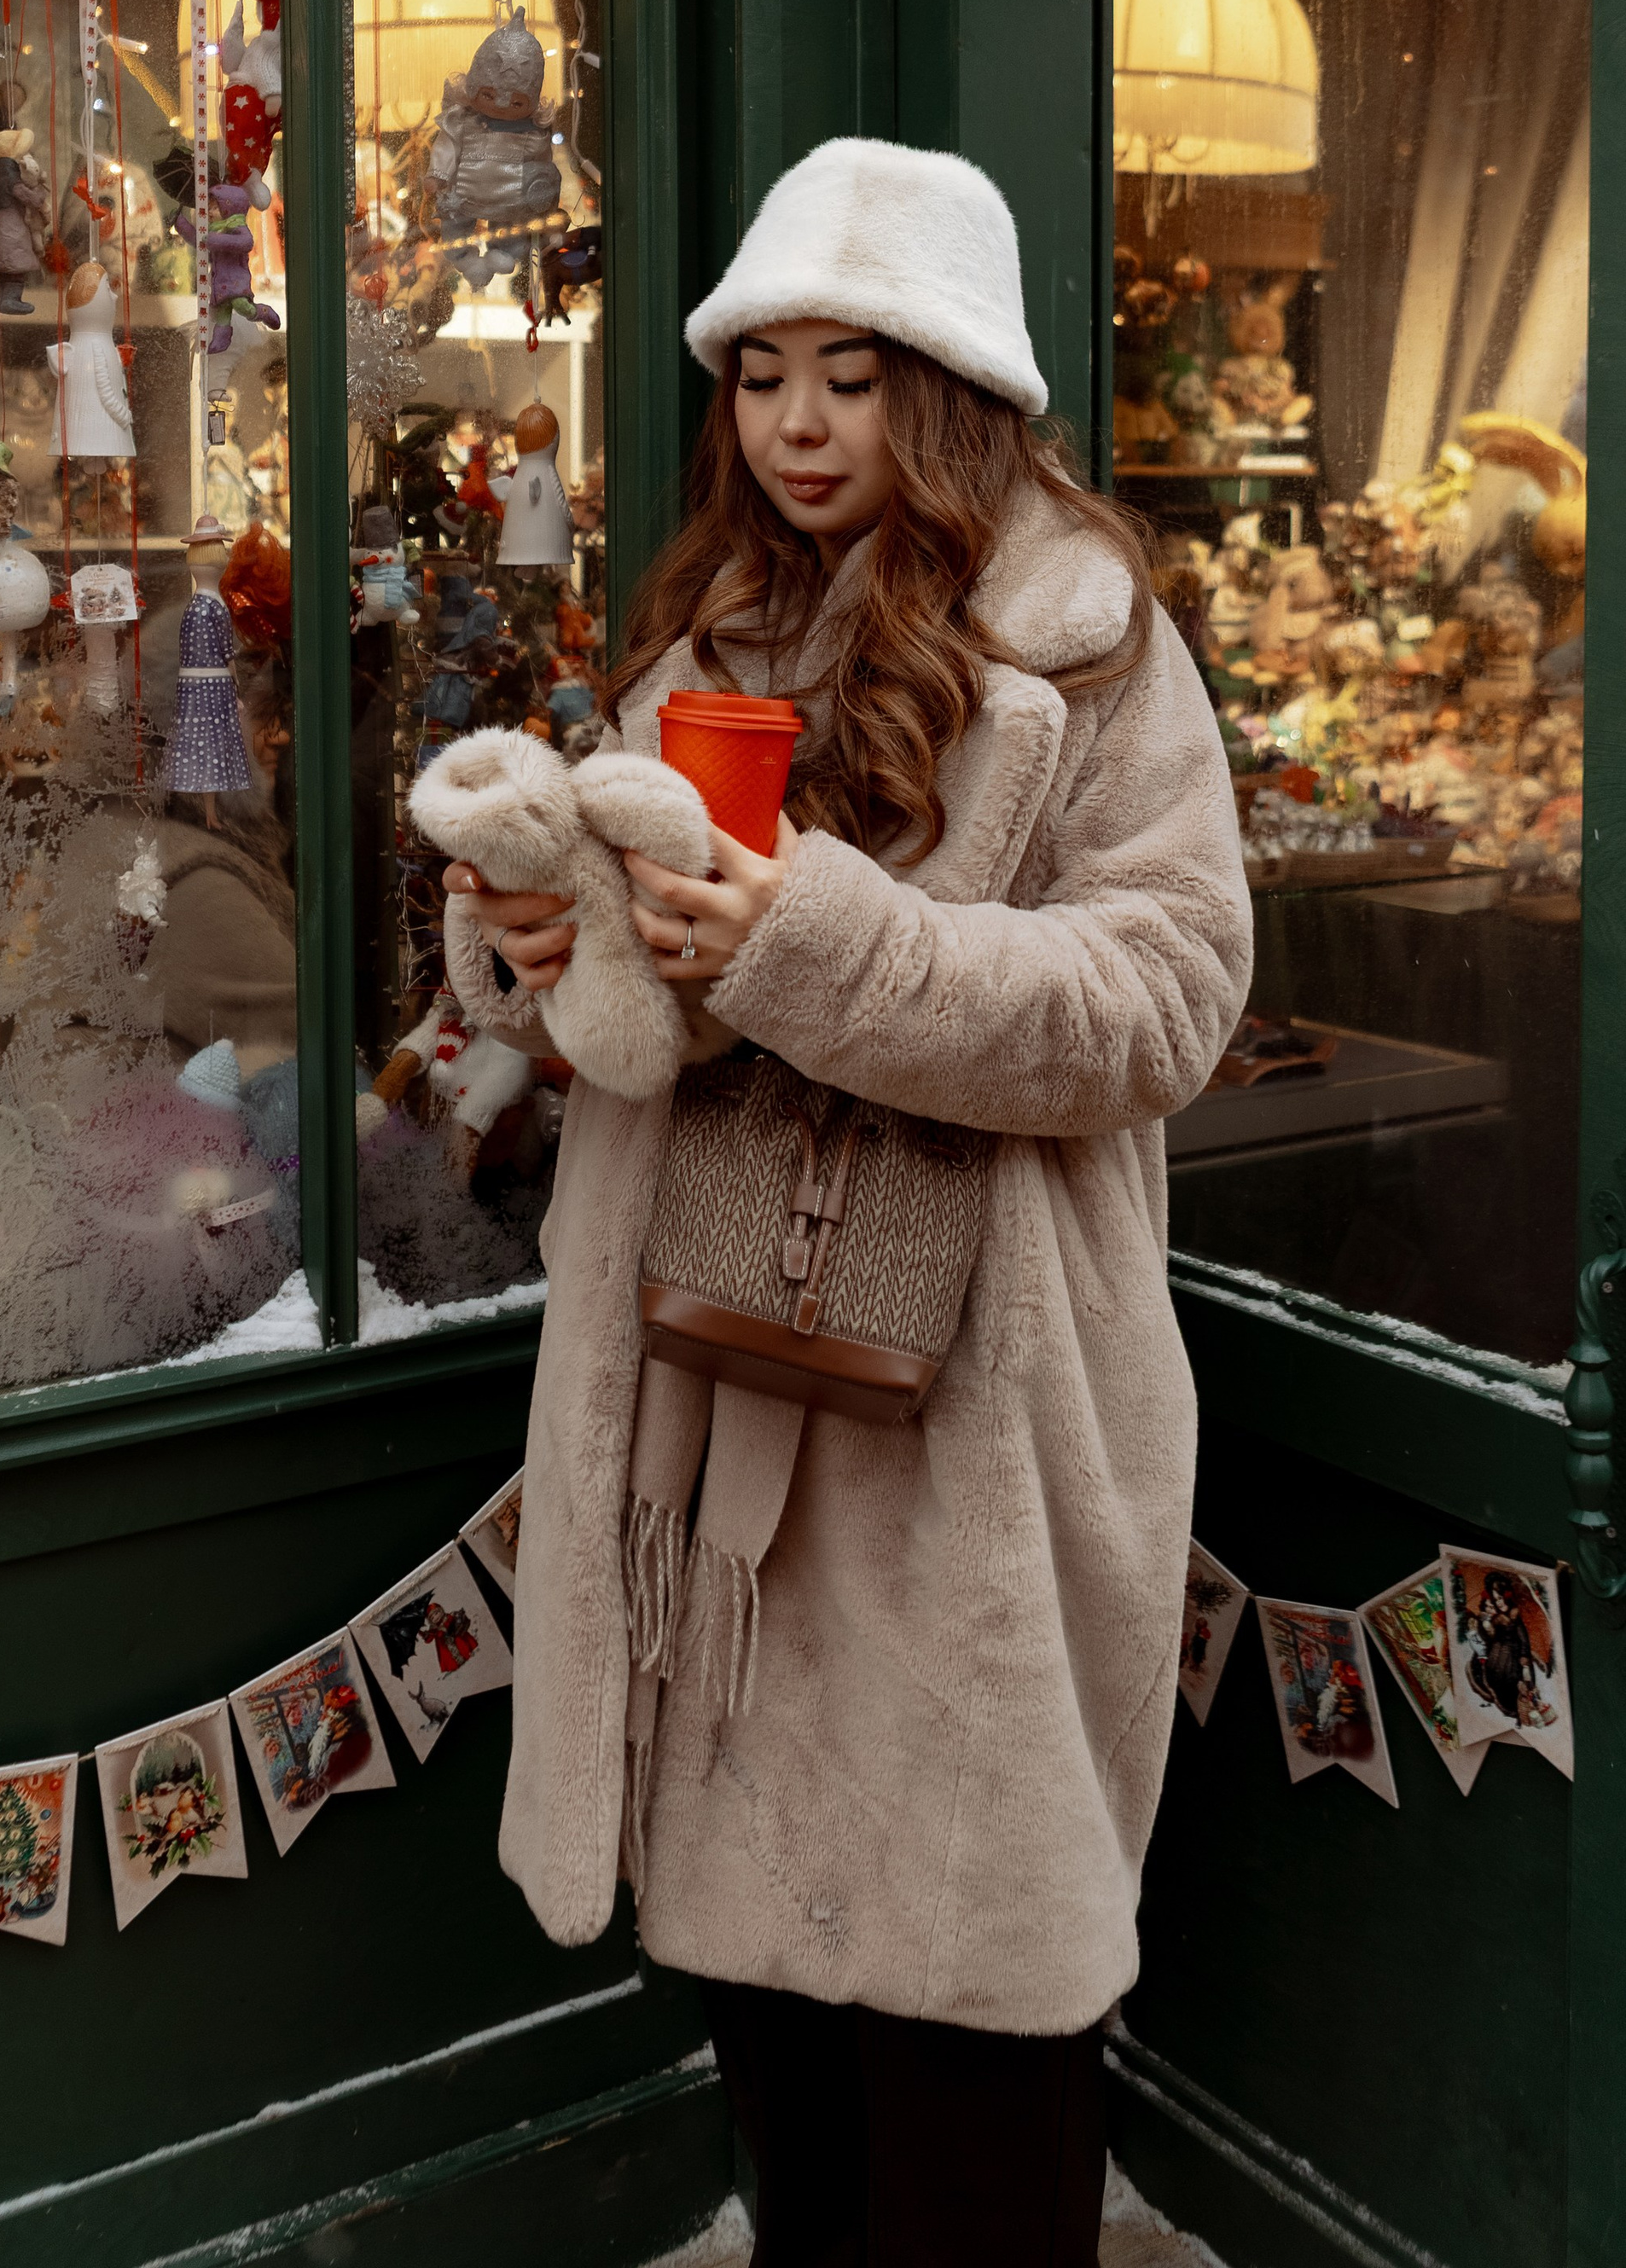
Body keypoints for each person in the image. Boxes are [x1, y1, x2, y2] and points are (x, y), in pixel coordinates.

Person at [441, 139, 1251, 2268]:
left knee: (972, 2051)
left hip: (956, 1431)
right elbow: (642, 1016)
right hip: (708, 1431)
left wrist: (805, 938)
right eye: (761, 376)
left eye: (852, 379)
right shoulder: (710, 624)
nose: (795, 427)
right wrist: (549, 947)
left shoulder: (1088, 650)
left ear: (955, 389)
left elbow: (1158, 1001)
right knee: (782, 2068)